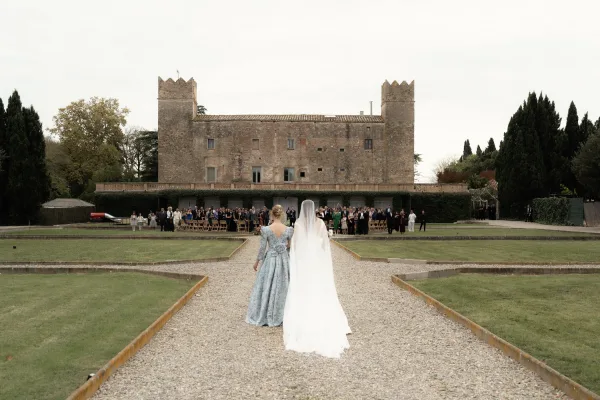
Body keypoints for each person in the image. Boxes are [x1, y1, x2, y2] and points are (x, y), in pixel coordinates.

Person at [283, 200, 350, 358]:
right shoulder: (320, 223)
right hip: (317, 258)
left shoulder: (298, 224)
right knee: (318, 285)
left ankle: (304, 315)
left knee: (305, 286)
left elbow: (296, 246)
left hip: (305, 259)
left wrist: (296, 260)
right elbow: (324, 244)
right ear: (313, 210)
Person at [246, 205, 294, 327]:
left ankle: (266, 311)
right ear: (282, 215)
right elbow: (290, 246)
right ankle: (283, 312)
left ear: (272, 215)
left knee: (267, 284)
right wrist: (283, 247)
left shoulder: (266, 229)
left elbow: (262, 249)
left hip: (271, 259)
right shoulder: (288, 229)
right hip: (283, 259)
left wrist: (257, 262)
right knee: (284, 284)